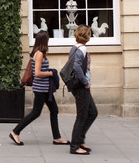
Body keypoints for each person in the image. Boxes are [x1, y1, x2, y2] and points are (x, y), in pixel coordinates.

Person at [9, 30, 69, 146]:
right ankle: (15, 132)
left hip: (45, 89)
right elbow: (37, 73)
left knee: (54, 110)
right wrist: (51, 73)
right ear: (44, 41)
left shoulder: (38, 53)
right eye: (47, 40)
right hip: (41, 89)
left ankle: (57, 137)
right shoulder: (39, 54)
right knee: (36, 112)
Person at [69, 25, 98, 155]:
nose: (90, 35)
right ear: (86, 36)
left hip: (80, 86)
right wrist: (85, 82)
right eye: (89, 33)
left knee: (92, 112)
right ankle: (74, 145)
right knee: (82, 115)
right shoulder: (82, 49)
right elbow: (76, 67)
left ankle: (80, 139)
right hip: (81, 86)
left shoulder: (75, 48)